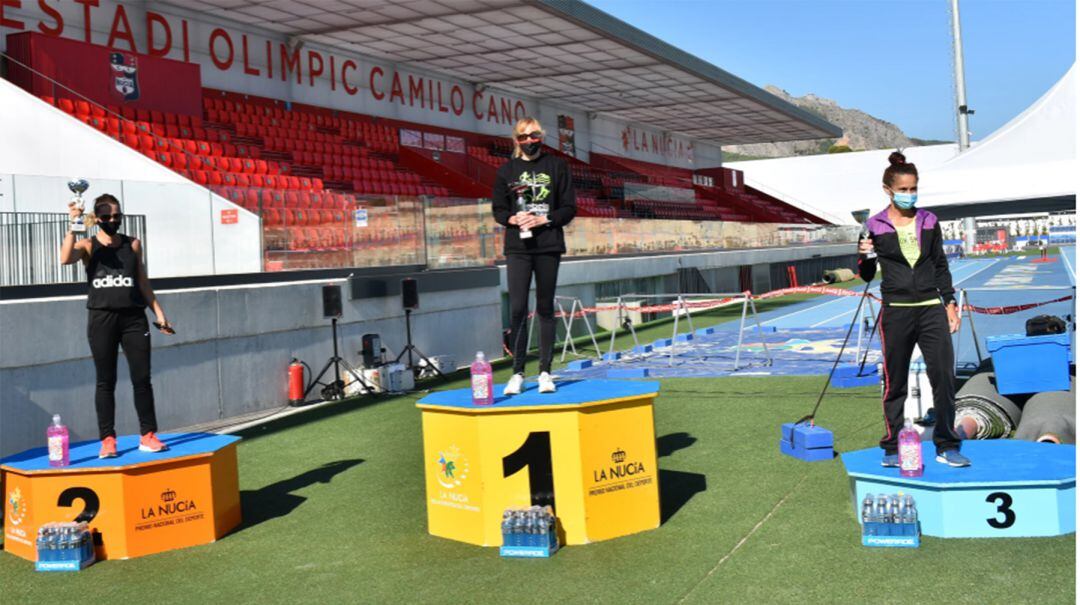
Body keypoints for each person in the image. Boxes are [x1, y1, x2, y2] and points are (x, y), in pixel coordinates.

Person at [858, 152, 969, 468]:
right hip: (896, 312)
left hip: (931, 310)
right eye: (903, 189)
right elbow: (865, 275)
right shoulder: (873, 225)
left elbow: (940, 266)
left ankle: (947, 444)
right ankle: (892, 446)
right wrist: (864, 255)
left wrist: (949, 304)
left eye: (913, 188)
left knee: (944, 379)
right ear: (888, 190)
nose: (909, 194)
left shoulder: (930, 221)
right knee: (896, 382)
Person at [60, 194, 174, 458]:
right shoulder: (88, 245)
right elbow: (65, 258)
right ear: (98, 219)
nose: (114, 221)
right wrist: (73, 224)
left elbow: (142, 281)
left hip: (133, 318)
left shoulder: (133, 244)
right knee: (105, 381)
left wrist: (159, 312)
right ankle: (108, 440)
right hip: (102, 319)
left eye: (117, 216)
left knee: (142, 378)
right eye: (108, 217)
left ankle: (148, 435)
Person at [492, 117, 576, 395]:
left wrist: (545, 220)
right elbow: (498, 211)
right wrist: (514, 219)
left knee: (544, 308)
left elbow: (569, 208)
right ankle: (517, 372)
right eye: (524, 136)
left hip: (548, 246)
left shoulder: (557, 166)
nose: (529, 141)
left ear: (542, 136)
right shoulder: (506, 171)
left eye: (534, 135)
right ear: (516, 140)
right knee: (517, 309)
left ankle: (545, 372)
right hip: (518, 249)